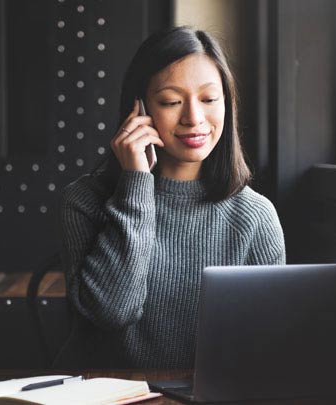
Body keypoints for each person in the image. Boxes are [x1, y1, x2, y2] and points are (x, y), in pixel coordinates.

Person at [56, 26, 286, 369]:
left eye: (209, 99)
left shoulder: (255, 216)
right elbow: (112, 311)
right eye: (171, 102)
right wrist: (136, 182)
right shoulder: (83, 201)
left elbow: (270, 346)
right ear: (139, 109)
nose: (194, 118)